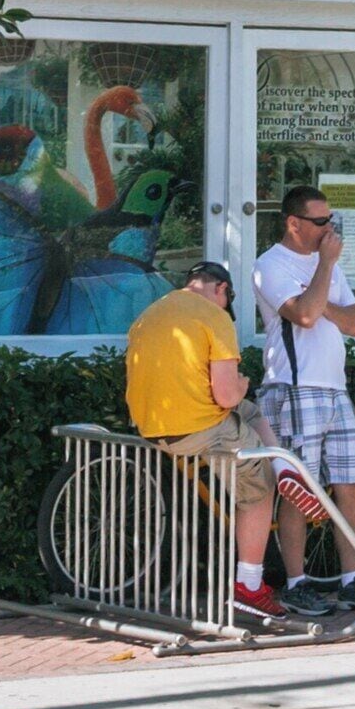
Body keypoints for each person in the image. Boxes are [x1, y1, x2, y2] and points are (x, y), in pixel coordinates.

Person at [121, 260, 286, 624]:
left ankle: (283, 461)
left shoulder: (151, 313)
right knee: (258, 488)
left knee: (249, 410)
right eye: (228, 300)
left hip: (150, 426)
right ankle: (249, 586)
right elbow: (226, 396)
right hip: (199, 428)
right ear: (221, 289)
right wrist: (241, 385)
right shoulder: (214, 317)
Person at [254, 182, 355, 612]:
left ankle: (352, 578)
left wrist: (322, 300)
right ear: (294, 223)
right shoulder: (270, 264)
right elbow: (303, 315)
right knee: (299, 488)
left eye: (331, 220)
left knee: (352, 484)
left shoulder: (329, 263)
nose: (329, 229)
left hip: (335, 387)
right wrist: (323, 271)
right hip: (295, 386)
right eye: (321, 221)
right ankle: (296, 580)